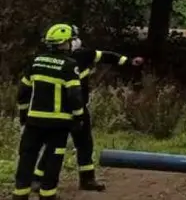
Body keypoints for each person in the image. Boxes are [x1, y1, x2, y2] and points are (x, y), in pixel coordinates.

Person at [33, 25, 144, 193]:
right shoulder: (54, 61)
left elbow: (105, 56)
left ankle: (87, 179)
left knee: (85, 144)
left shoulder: (83, 55)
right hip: (60, 111)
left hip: (79, 109)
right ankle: (38, 179)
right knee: (55, 145)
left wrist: (128, 61)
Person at [14, 24, 86, 200]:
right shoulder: (70, 65)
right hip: (58, 124)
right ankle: (47, 195)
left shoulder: (35, 61)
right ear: (63, 44)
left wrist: (24, 115)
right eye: (70, 41)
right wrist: (79, 117)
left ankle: (20, 195)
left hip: (34, 122)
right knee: (53, 161)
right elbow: (75, 95)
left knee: (27, 158)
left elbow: (23, 92)